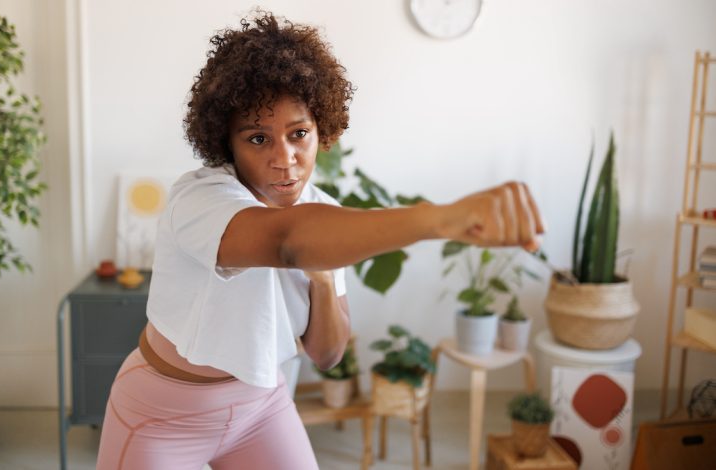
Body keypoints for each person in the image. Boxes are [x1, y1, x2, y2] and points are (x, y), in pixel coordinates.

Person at [96, 10, 544, 470]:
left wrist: (324, 281)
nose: (284, 158)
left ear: (321, 130)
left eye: (298, 134)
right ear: (227, 143)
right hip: (166, 414)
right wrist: (438, 220)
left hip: (262, 408)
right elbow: (286, 241)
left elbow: (327, 354)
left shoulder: (325, 216)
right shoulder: (201, 198)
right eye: (257, 138)